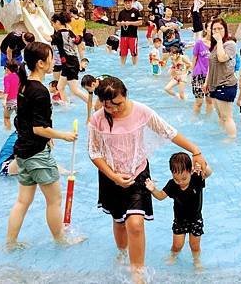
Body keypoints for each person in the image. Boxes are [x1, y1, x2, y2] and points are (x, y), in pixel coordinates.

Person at [87, 76, 207, 277]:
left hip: (137, 173)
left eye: (118, 104)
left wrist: (195, 150)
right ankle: (122, 253)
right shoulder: (97, 119)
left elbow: (168, 132)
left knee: (134, 223)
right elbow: (94, 152)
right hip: (110, 176)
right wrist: (113, 176)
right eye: (108, 106)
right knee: (119, 221)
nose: (114, 110)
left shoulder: (141, 112)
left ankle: (137, 273)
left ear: (125, 95)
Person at [6, 42, 80, 249]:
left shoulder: (24, 85)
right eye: (50, 57)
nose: (53, 60)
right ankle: (60, 241)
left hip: (22, 152)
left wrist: (48, 136)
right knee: (54, 201)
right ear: (40, 63)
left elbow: (23, 121)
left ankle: (10, 243)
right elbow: (39, 128)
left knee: (22, 202)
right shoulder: (40, 91)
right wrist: (63, 135)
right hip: (37, 154)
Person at [145, 152, 212, 269]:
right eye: (176, 179)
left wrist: (202, 165)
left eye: (184, 178)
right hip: (180, 220)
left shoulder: (196, 178)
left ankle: (197, 261)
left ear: (190, 171)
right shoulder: (172, 185)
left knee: (195, 246)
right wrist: (152, 189)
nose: (180, 182)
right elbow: (160, 196)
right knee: (177, 245)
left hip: (195, 219)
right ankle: (173, 256)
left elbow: (209, 172)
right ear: (172, 174)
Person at [203, 18, 238, 138]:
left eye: (220, 28)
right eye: (214, 29)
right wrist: (206, 82)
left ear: (225, 30)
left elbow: (222, 58)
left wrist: (218, 41)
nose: (217, 31)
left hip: (226, 84)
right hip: (215, 84)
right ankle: (224, 132)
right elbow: (211, 66)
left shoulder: (230, 44)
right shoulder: (214, 46)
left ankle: (232, 137)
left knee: (227, 116)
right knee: (220, 115)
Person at [50, 12, 88, 103]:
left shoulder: (59, 34)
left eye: (53, 23)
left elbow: (48, 38)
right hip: (70, 63)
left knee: (75, 90)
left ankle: (94, 105)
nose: (53, 26)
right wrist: (81, 59)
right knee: (60, 87)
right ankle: (66, 105)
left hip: (70, 64)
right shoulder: (69, 32)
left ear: (58, 22)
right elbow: (80, 44)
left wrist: (38, 31)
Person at [191, 28, 213, 115]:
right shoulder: (199, 43)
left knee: (210, 101)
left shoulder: (218, 44)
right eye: (210, 27)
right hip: (199, 74)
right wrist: (192, 74)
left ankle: (208, 121)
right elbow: (194, 58)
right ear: (206, 29)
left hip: (211, 76)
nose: (213, 30)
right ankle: (195, 121)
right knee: (199, 102)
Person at [117, 0, 143, 66]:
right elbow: (117, 23)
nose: (128, 4)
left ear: (132, 2)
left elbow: (140, 22)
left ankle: (135, 66)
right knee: (122, 53)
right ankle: (122, 66)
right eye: (126, 3)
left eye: (129, 2)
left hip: (133, 36)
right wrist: (121, 23)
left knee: (134, 53)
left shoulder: (136, 11)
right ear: (124, 3)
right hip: (123, 36)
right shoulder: (121, 13)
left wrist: (130, 23)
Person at [3, 59, 20, 130]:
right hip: (19, 101)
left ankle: (8, 131)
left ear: (7, 69)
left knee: (6, 117)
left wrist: (4, 100)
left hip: (10, 102)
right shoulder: (19, 76)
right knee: (20, 118)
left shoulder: (7, 77)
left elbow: (7, 89)